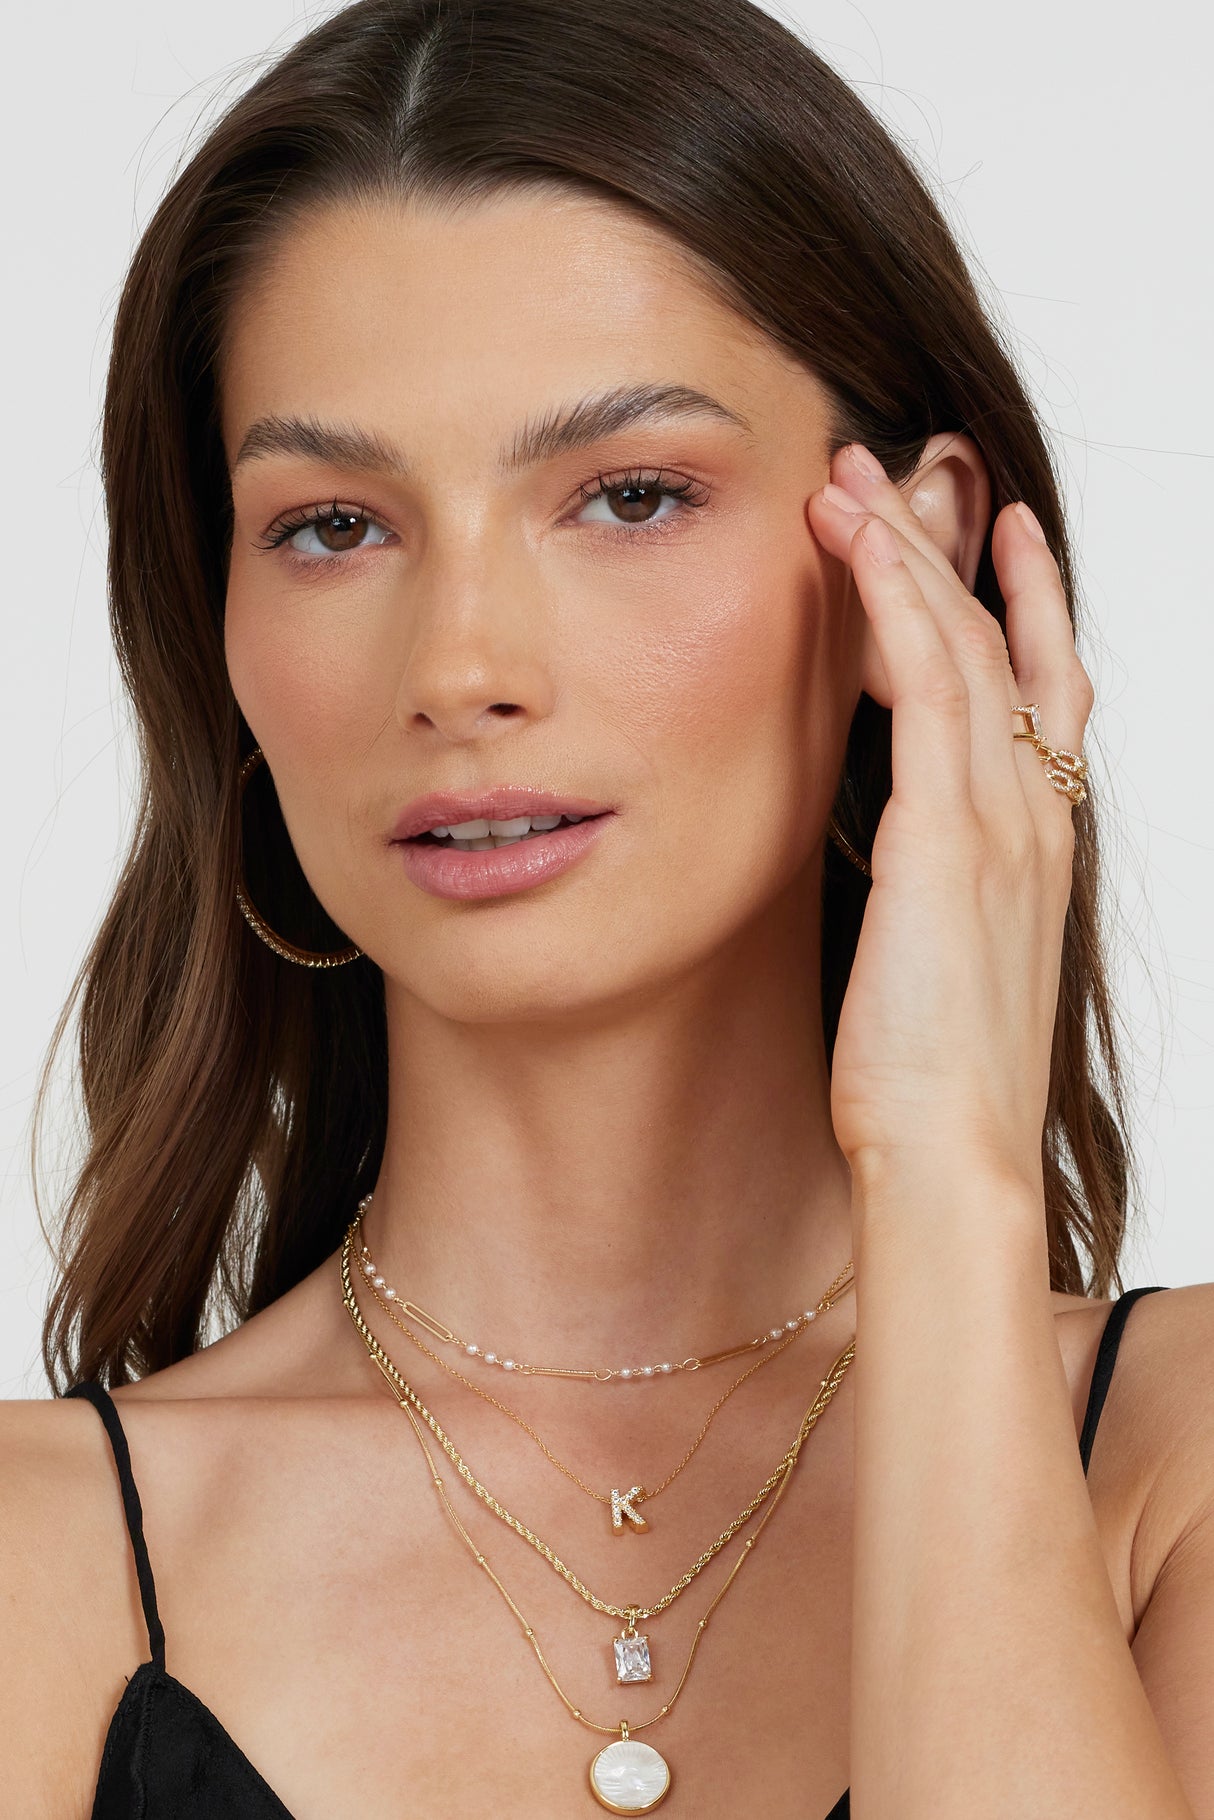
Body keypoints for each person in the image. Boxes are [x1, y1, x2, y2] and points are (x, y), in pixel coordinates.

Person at [4, 0, 1212, 1813]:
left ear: (919, 562)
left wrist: (947, 1169)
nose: (462, 665)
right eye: (332, 525)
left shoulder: (1172, 1465)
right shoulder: (38, 1557)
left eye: (629, 494)